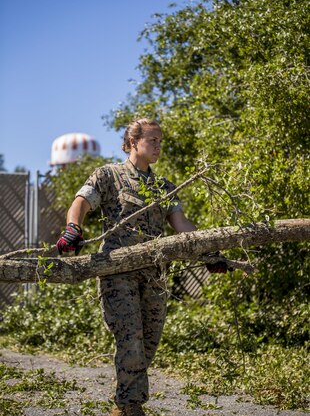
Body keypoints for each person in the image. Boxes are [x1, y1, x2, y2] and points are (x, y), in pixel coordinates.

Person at [56, 118, 228, 416]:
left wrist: (207, 250)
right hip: (117, 272)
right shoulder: (109, 176)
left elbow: (181, 224)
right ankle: (130, 407)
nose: (158, 147)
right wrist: (73, 228)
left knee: (148, 343)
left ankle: (123, 404)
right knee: (130, 340)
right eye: (153, 141)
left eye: (160, 142)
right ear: (133, 142)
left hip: (154, 275)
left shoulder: (164, 187)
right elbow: (81, 202)